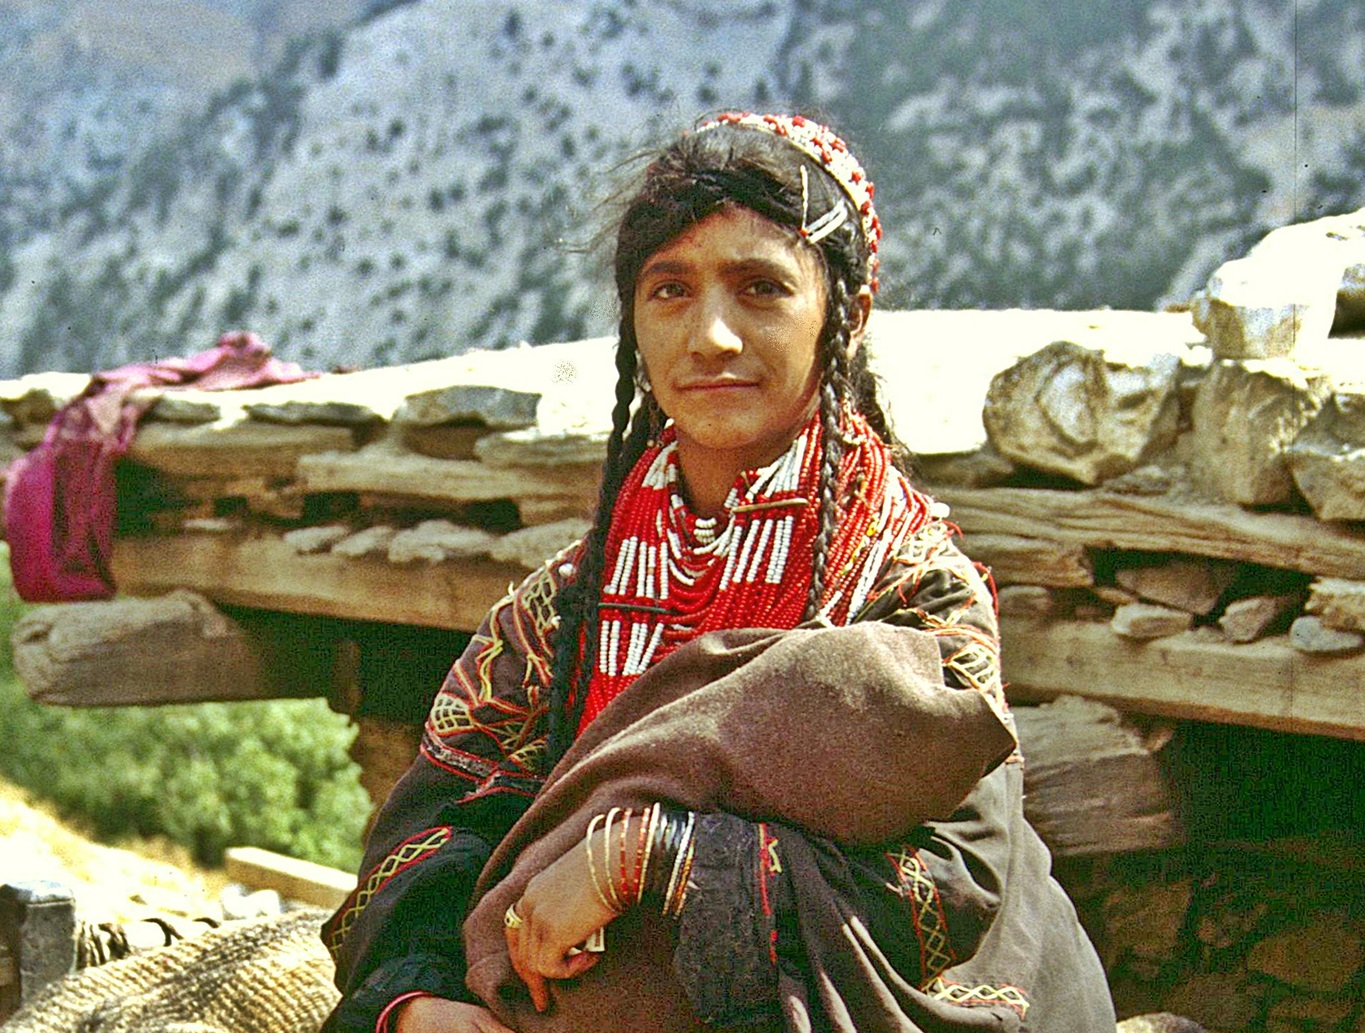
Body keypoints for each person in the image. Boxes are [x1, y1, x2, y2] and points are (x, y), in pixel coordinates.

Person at [320, 112, 1115, 1033]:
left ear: (841, 315)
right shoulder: (564, 611)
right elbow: (435, 827)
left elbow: (949, 880)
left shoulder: (907, 589)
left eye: (760, 288)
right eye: (669, 290)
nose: (712, 337)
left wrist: (649, 857)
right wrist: (420, 1003)